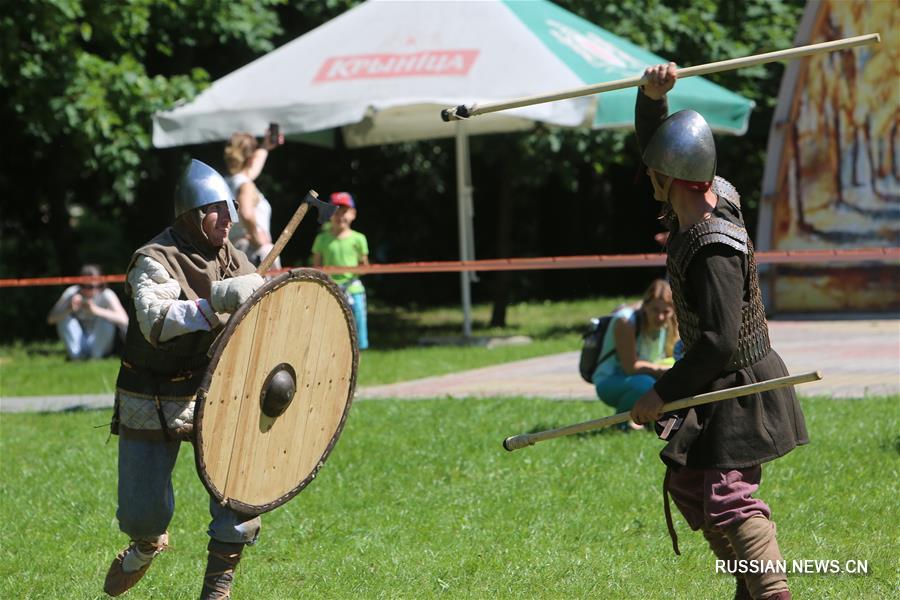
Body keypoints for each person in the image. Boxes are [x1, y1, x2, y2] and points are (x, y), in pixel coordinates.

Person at [630, 63, 808, 600]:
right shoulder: (712, 189)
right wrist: (652, 99)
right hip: (716, 380)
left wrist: (660, 394)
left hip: (738, 385)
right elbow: (662, 151)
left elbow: (718, 343)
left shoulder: (711, 247)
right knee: (692, 481)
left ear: (665, 178)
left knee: (730, 499)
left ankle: (772, 594)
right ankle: (751, 591)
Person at [103, 159, 266, 599]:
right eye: (218, 209)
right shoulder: (155, 260)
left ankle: (218, 587)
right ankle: (145, 543)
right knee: (141, 512)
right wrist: (217, 301)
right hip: (153, 391)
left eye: (230, 208)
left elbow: (263, 311)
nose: (229, 218)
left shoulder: (232, 255)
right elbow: (156, 321)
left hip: (214, 387)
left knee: (236, 489)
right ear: (192, 214)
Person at [592, 279, 678, 430]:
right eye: (655, 310)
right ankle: (620, 424)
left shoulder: (671, 323)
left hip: (642, 377)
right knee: (646, 385)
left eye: (665, 312)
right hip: (610, 381)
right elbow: (631, 367)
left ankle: (658, 424)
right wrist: (663, 372)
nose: (660, 317)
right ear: (645, 306)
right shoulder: (626, 321)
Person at [311, 192, 370, 350]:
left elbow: (364, 268)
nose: (340, 216)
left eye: (344, 211)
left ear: (353, 214)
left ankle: (355, 370)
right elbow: (316, 268)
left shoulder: (359, 239)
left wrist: (359, 267)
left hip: (353, 289)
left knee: (356, 336)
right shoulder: (322, 239)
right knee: (328, 334)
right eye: (336, 211)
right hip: (329, 289)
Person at [223, 127, 283, 268]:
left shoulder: (226, 182)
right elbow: (246, 214)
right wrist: (259, 241)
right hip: (253, 250)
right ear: (250, 158)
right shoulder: (245, 185)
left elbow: (253, 169)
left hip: (235, 250)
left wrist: (264, 147)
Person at [46, 264, 128, 360]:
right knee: (64, 319)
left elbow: (125, 320)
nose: (89, 290)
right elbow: (50, 319)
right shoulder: (72, 293)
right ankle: (76, 356)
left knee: (107, 319)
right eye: (84, 286)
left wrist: (96, 310)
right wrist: (69, 309)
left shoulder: (106, 294)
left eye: (93, 286)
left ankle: (96, 357)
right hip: (80, 340)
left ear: (100, 284)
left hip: (99, 341)